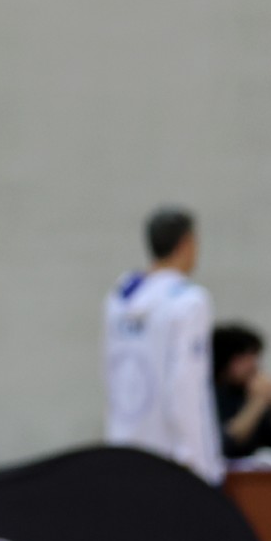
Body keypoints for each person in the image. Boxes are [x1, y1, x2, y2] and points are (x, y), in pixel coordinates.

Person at [103, 207, 224, 485]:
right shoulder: (189, 301)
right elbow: (185, 384)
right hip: (172, 460)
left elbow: (110, 371)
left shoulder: (119, 297)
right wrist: (198, 464)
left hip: (124, 450)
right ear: (186, 243)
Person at [211, 322, 271, 458]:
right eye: (247, 358)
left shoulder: (249, 391)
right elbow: (222, 445)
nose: (254, 366)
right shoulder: (208, 395)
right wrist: (257, 403)